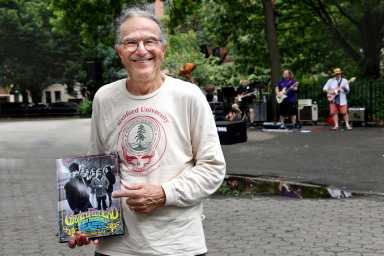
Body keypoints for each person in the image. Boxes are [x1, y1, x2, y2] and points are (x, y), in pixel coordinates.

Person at [69, 7, 226, 256]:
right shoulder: (104, 98)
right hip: (116, 249)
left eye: (150, 41)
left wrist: (164, 194)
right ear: (119, 51)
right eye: (131, 42)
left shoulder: (188, 96)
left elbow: (213, 168)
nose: (141, 50)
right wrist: (87, 222)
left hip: (177, 246)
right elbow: (96, 165)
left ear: (162, 48)